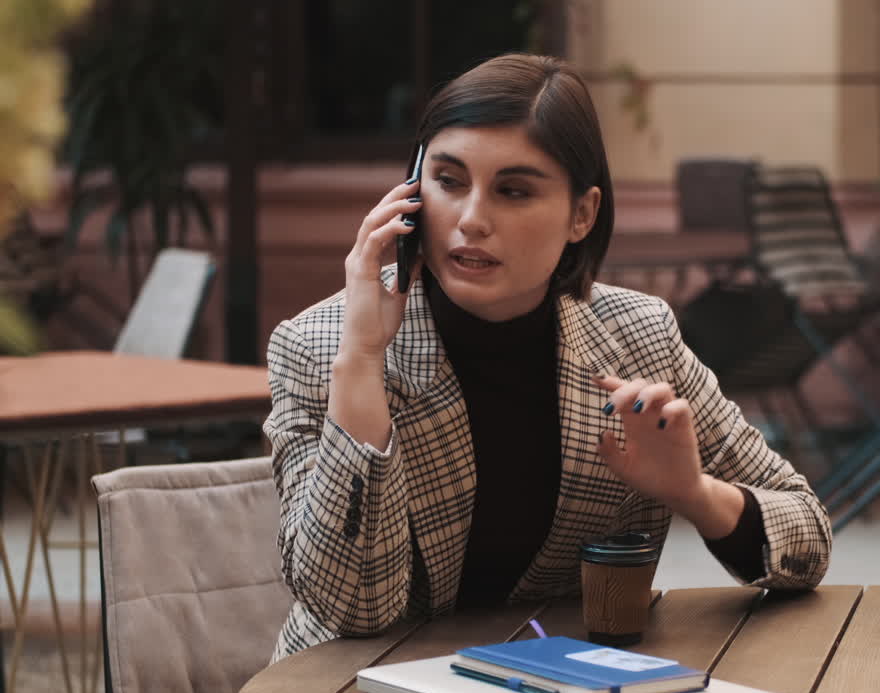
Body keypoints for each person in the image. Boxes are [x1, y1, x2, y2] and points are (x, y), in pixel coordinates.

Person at [264, 53, 832, 662]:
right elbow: (350, 608)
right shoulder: (319, 347)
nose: (472, 219)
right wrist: (362, 358)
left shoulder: (637, 335)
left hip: (556, 686)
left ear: (581, 215)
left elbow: (808, 538)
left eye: (513, 191)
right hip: (353, 691)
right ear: (410, 193)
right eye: (449, 182)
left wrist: (694, 492)